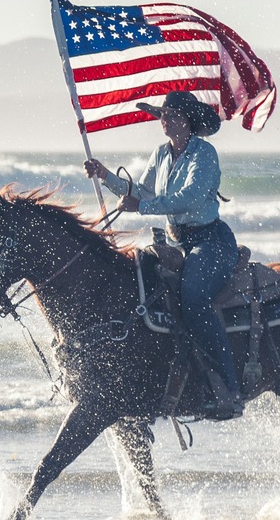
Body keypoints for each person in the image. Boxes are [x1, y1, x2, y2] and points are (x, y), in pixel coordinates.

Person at [84, 90, 243, 418]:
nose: (165, 121)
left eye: (171, 115)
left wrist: (141, 206)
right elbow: (141, 191)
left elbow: (189, 198)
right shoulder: (161, 154)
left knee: (194, 299)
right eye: (163, 115)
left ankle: (230, 387)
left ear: (188, 120)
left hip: (210, 241)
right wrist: (105, 176)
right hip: (178, 241)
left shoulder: (204, 154)